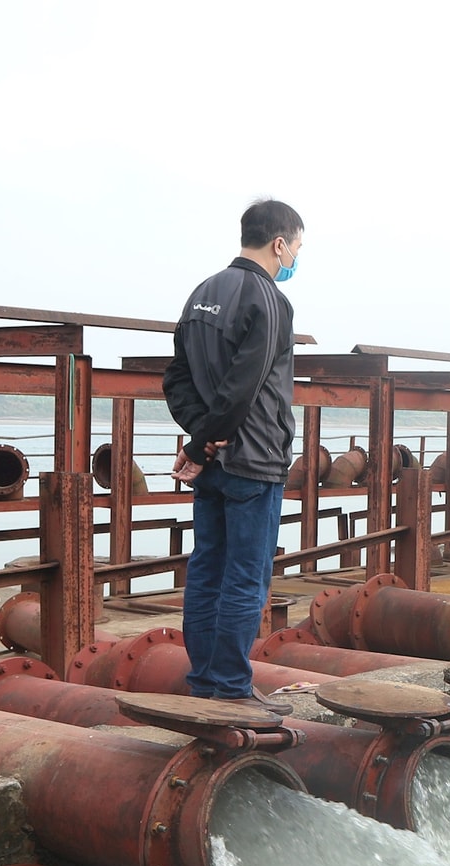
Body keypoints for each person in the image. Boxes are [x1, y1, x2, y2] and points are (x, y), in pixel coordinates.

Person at [162, 198, 305, 715]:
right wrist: (207, 440)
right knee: (246, 577)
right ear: (279, 243)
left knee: (206, 571)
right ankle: (230, 686)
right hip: (255, 460)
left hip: (214, 464)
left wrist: (200, 439)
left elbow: (176, 379)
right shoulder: (269, 299)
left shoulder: (202, 293)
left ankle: (205, 680)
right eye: (297, 247)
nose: (296, 258)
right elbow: (245, 385)